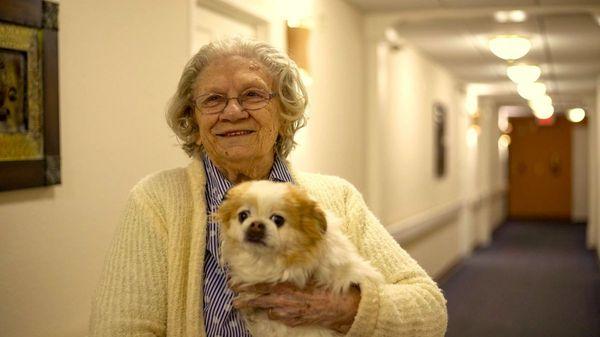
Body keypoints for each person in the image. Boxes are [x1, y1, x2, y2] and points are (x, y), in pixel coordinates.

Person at [89, 37, 448, 337]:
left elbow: (430, 310)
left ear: (284, 115)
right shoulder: (157, 200)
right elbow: (120, 329)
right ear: (194, 121)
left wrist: (339, 308)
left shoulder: (335, 199)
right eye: (213, 100)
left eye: (252, 95)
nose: (232, 112)